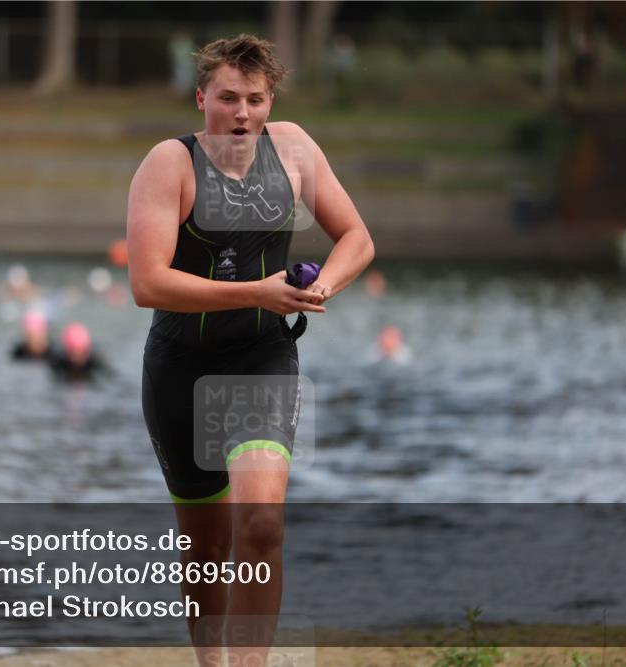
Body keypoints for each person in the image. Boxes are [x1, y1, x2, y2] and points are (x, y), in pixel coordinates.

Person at [126, 34, 374, 667]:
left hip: (262, 358)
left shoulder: (293, 149)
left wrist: (320, 287)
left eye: (255, 99)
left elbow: (357, 239)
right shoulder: (169, 163)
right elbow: (146, 283)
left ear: (271, 101)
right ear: (201, 97)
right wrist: (255, 291)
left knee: (261, 522)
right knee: (205, 548)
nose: (241, 113)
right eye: (228, 97)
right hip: (180, 366)